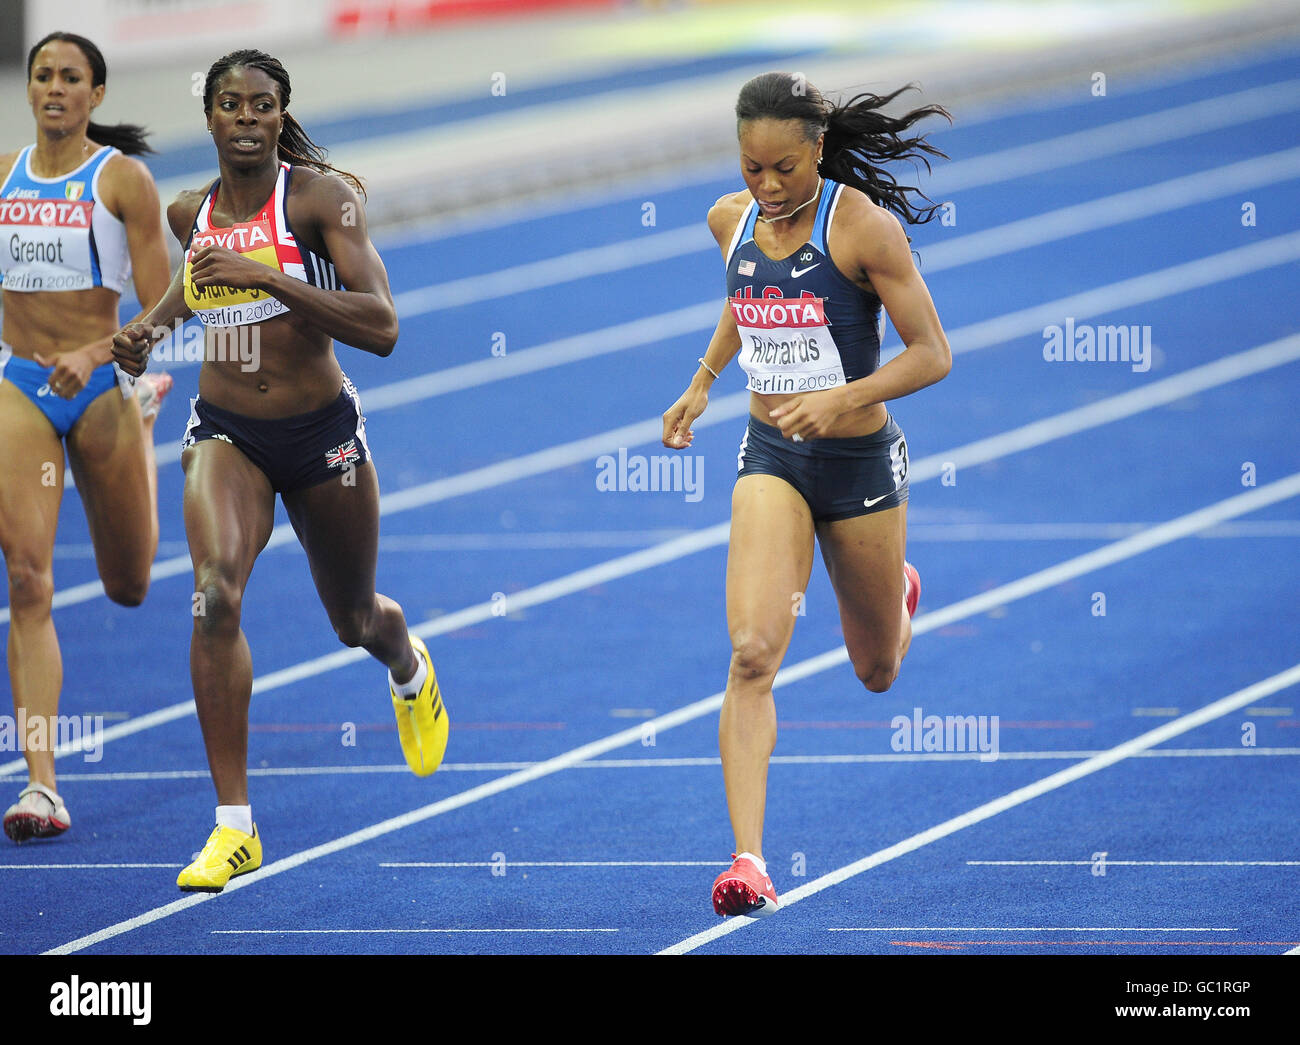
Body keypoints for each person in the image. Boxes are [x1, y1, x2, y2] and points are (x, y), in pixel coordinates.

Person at [112, 49, 447, 893]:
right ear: (212, 118)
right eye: (231, 104)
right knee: (214, 592)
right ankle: (234, 826)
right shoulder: (192, 213)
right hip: (227, 433)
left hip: (322, 435)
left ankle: (407, 664)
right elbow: (198, 285)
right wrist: (151, 328)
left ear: (280, 114)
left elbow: (382, 326)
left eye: (263, 104)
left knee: (353, 617)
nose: (247, 118)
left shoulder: (319, 201)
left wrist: (269, 274)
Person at [661, 72, 953, 917]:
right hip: (772, 459)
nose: (767, 187)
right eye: (752, 168)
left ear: (818, 151)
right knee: (752, 651)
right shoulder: (730, 219)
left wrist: (846, 397)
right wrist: (703, 380)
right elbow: (747, 296)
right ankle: (749, 858)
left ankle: (896, 595)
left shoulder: (864, 228)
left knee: (877, 669)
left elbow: (932, 353)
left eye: (784, 169)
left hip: (859, 468)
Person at [1, 31, 174, 843]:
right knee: (29, 579)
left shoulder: (121, 182)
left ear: (96, 95)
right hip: (21, 389)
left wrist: (98, 354)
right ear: (29, 87)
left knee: (129, 584)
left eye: (72, 78)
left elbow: (164, 309)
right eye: (44, 76)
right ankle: (42, 785)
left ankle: (144, 426)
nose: (55, 88)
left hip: (103, 384)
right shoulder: (2, 176)